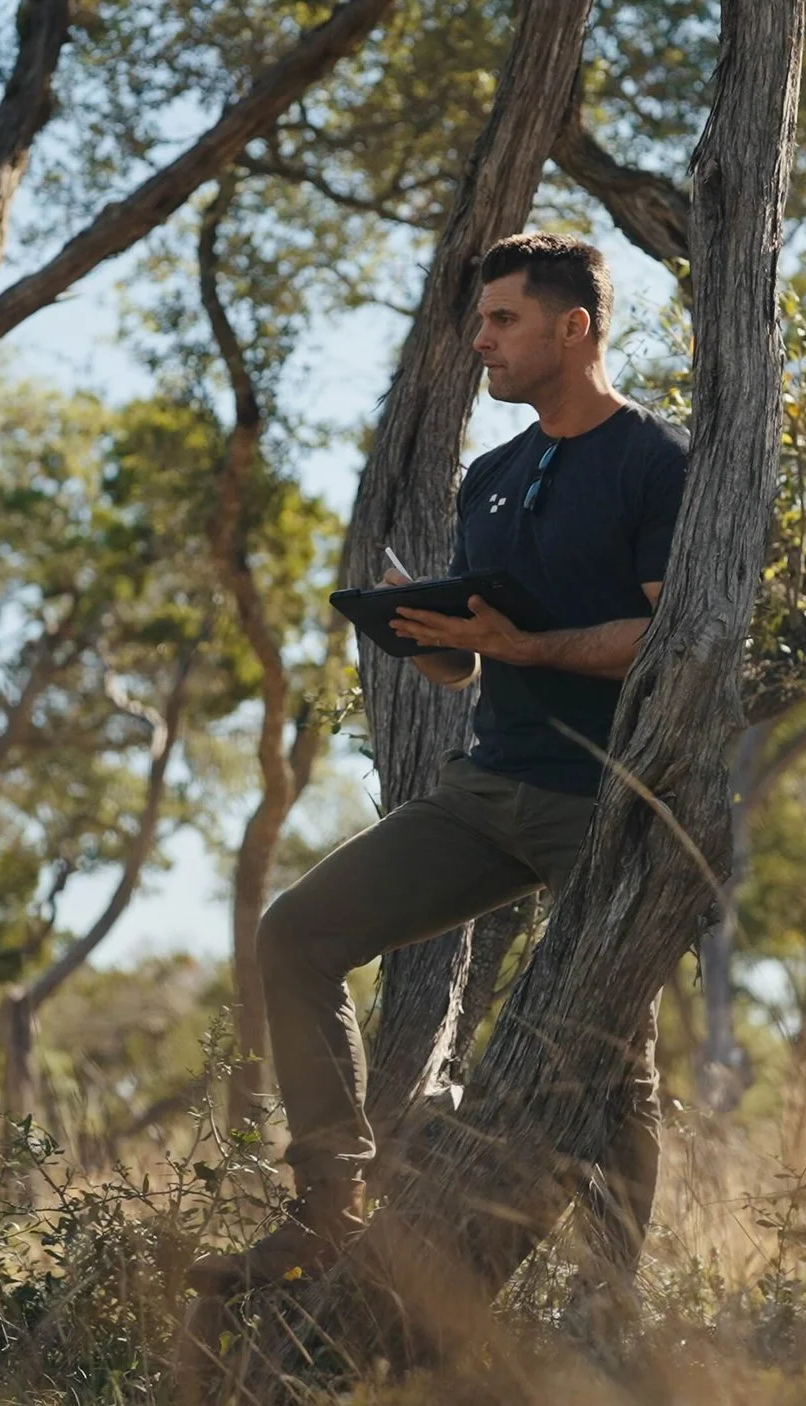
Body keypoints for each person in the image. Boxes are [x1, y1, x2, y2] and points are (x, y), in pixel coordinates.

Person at [188, 231, 687, 1295]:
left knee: (614, 1057)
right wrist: (427, 635)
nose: (481, 341)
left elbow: (665, 637)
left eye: (503, 320)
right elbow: (470, 662)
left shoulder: (657, 460)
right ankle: (326, 1211)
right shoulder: (491, 475)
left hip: (602, 800)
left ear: (573, 327)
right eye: (479, 320)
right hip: (484, 791)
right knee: (296, 933)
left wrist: (527, 647)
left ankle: (611, 1304)